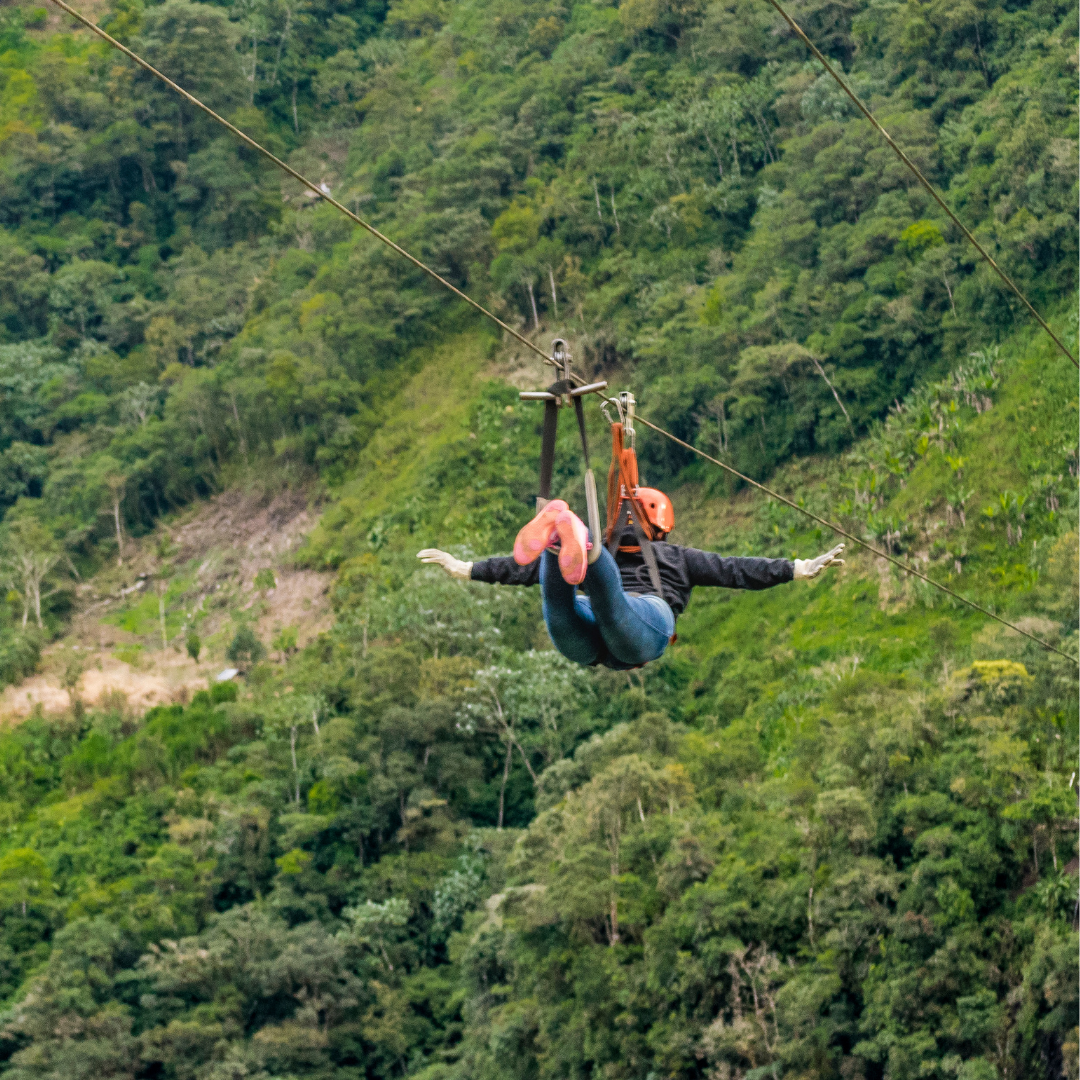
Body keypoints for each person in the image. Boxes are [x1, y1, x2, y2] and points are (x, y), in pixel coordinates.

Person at [417, 497, 845, 671]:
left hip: (618, 622)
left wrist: (468, 568)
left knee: (565, 603)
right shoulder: (679, 556)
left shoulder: (657, 555)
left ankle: (560, 538)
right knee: (590, 600)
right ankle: (560, 540)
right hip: (635, 630)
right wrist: (796, 568)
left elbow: (516, 570)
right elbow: (735, 571)